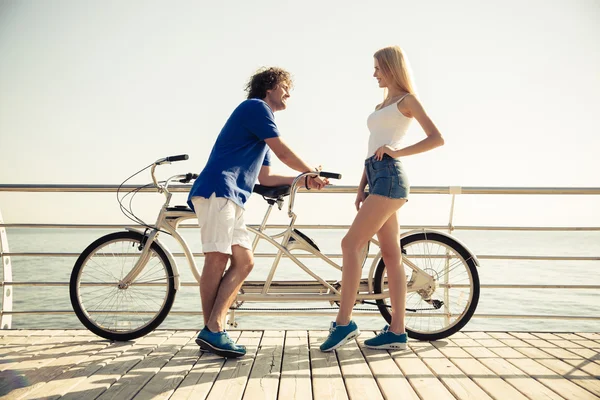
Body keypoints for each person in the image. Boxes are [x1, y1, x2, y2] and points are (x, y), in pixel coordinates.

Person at [188, 67, 327, 358]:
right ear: (270, 87)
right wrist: (311, 171)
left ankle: (213, 329)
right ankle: (213, 330)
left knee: (245, 262)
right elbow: (286, 153)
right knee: (218, 257)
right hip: (219, 189)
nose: (289, 93)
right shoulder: (256, 107)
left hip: (233, 197)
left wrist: (302, 181)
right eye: (286, 86)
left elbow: (266, 178)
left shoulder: (263, 127)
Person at [319, 46, 445, 352]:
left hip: (390, 178)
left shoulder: (407, 100)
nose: (374, 73)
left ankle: (344, 322)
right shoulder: (382, 104)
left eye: (377, 68)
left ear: (390, 68)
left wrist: (397, 153)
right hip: (377, 178)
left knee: (350, 244)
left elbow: (436, 138)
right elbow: (372, 146)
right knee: (391, 256)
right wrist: (362, 184)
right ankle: (397, 332)